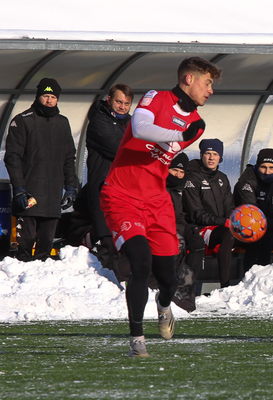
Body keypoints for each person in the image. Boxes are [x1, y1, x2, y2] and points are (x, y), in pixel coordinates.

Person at [99, 56, 220, 357]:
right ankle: (137, 339)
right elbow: (140, 129)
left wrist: (184, 133)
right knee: (140, 262)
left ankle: (164, 304)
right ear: (189, 79)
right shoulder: (156, 97)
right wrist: (179, 135)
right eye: (207, 83)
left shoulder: (198, 123)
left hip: (157, 201)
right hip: (122, 195)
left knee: (168, 278)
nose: (211, 90)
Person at [4, 78, 79, 262]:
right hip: (30, 194)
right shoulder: (23, 121)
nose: (49, 100)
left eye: (53, 96)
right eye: (45, 96)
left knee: (45, 245)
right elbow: (12, 157)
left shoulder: (62, 123)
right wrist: (19, 189)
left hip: (53, 196)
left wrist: (71, 186)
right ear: (38, 96)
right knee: (26, 245)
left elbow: (69, 158)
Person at [84, 84, 133, 274]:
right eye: (119, 102)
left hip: (125, 191)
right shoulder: (99, 122)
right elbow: (121, 149)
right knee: (107, 240)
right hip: (103, 189)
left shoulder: (130, 123)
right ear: (109, 100)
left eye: (126, 103)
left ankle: (123, 283)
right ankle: (106, 282)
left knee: (126, 239)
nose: (122, 107)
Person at [183, 139, 238, 289]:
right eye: (208, 153)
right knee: (229, 234)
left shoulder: (222, 178)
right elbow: (196, 214)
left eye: (215, 154)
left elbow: (230, 207)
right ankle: (225, 286)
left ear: (221, 157)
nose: (211, 157)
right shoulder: (192, 178)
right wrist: (224, 222)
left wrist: (234, 220)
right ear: (201, 155)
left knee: (251, 235)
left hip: (220, 227)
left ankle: (251, 282)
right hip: (200, 228)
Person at [234, 148, 273, 271]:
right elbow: (253, 216)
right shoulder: (247, 183)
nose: (267, 172)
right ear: (257, 166)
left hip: (272, 227)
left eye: (272, 168)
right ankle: (254, 275)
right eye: (263, 167)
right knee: (263, 234)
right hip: (247, 229)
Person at [166, 153, 202, 313]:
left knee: (197, 243)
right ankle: (173, 288)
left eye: (181, 172)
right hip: (161, 230)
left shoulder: (177, 192)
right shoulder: (160, 188)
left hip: (177, 228)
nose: (178, 175)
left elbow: (179, 217)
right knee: (178, 243)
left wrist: (188, 229)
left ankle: (188, 288)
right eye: (175, 170)